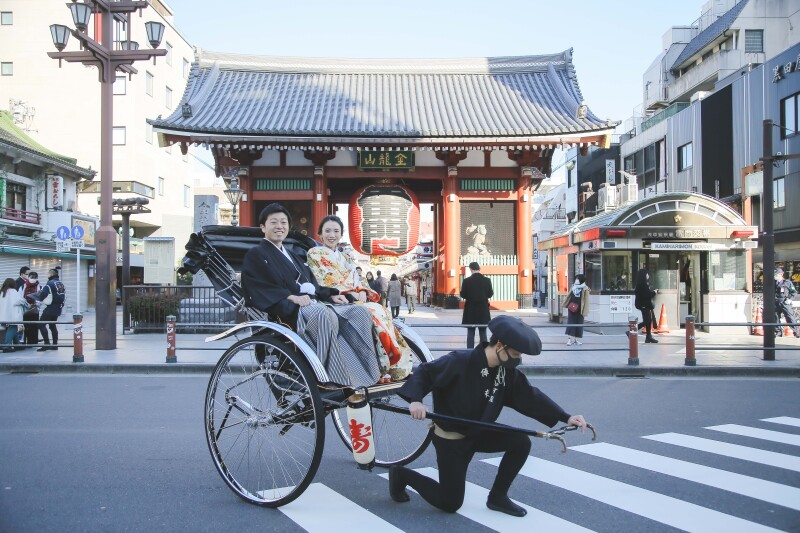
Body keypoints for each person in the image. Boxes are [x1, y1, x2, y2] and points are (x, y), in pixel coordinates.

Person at [389, 315, 587, 517]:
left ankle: (498, 497)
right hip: (452, 440)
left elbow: (530, 396)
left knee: (520, 442)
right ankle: (401, 475)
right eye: (515, 354)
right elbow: (426, 372)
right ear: (499, 346)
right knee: (450, 503)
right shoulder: (460, 361)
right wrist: (416, 400)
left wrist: (565, 417)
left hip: (478, 432)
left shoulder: (505, 371)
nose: (517, 360)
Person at [241, 204, 382, 387]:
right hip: (289, 310)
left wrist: (331, 295)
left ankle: (366, 371)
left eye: (283, 222)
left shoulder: (292, 255)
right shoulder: (256, 254)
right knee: (324, 314)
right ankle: (327, 377)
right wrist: (289, 297)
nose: (279, 226)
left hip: (312, 303)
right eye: (273, 222)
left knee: (359, 312)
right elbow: (257, 286)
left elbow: (311, 282)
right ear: (262, 227)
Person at [306, 215, 412, 381]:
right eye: (327, 231)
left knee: (382, 310)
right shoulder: (314, 253)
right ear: (320, 234)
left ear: (341, 234)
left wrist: (362, 290)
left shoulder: (345, 257)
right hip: (334, 299)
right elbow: (325, 278)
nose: (332, 235)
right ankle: (381, 366)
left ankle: (390, 364)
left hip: (353, 298)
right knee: (372, 313)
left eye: (336, 231)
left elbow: (358, 277)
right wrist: (349, 293)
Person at [460, 262, 494, 348]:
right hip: (483, 309)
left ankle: (470, 351)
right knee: (483, 332)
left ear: (471, 269)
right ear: (479, 268)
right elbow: (490, 294)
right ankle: (483, 351)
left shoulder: (466, 281)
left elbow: (463, 294)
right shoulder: (487, 280)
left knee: (471, 332)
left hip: (470, 309)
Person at [32, 268, 66, 351]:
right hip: (58, 307)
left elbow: (42, 295)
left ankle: (46, 344)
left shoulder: (49, 283)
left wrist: (37, 296)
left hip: (51, 307)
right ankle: (55, 345)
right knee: (52, 325)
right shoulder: (60, 283)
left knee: (41, 324)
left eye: (48, 274)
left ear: (51, 274)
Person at [0, 277, 28, 353]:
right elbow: (19, 300)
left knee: (12, 329)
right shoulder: (13, 291)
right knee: (13, 328)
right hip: (13, 314)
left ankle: (17, 344)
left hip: (3, 315)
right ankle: (6, 346)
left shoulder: (2, 292)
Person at [564, 274, 590, 346]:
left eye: (578, 279)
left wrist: (585, 310)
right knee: (571, 323)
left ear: (581, 280)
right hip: (572, 308)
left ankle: (576, 340)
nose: (576, 280)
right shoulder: (573, 286)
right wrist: (565, 303)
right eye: (576, 279)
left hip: (580, 309)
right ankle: (569, 340)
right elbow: (569, 296)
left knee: (579, 324)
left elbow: (586, 300)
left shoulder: (585, 288)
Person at [634, 268, 658, 344]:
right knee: (647, 321)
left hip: (644, 305)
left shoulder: (640, 284)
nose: (648, 275)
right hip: (644, 305)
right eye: (647, 274)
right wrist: (654, 292)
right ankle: (632, 330)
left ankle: (649, 337)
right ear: (643, 275)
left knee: (648, 320)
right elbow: (647, 295)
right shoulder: (643, 285)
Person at [774, 268, 799, 337]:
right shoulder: (773, 283)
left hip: (785, 302)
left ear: (781, 274)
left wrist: (790, 299)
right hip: (776, 302)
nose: (775, 276)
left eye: (776, 274)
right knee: (775, 317)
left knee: (790, 317)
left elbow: (794, 292)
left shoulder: (787, 282)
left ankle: (796, 332)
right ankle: (778, 332)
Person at [21, 271, 41, 349]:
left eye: (34, 277)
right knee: (31, 326)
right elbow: (40, 297)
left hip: (28, 309)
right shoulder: (37, 285)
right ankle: (31, 341)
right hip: (32, 309)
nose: (33, 279)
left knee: (27, 325)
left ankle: (26, 341)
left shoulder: (24, 284)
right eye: (32, 277)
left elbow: (21, 296)